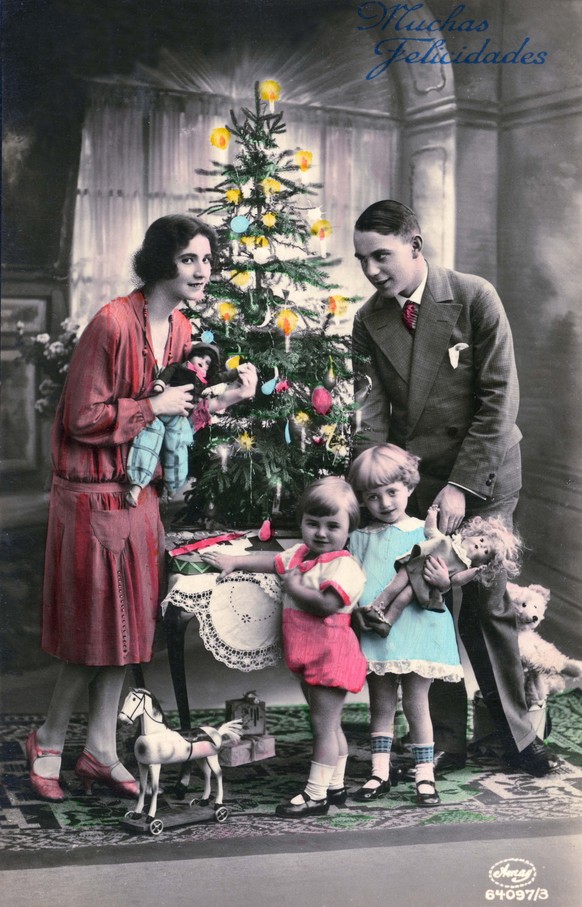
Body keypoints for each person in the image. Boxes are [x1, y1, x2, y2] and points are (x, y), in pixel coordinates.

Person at [26, 214, 258, 801]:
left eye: (207, 259)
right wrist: (154, 407)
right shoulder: (111, 323)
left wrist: (224, 398)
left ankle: (101, 751)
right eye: (189, 260)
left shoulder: (180, 329)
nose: (203, 270)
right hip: (91, 496)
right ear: (161, 264)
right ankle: (49, 739)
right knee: (92, 633)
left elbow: (178, 415)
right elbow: (81, 419)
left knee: (126, 634)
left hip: (139, 498)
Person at [351, 199, 560, 777]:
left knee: (488, 605)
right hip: (413, 479)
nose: (371, 271)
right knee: (429, 602)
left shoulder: (474, 297)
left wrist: (463, 486)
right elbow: (369, 411)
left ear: (415, 244)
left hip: (485, 473)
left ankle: (515, 735)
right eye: (362, 259)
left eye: (382, 256)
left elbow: (499, 401)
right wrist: (374, 477)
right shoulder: (368, 320)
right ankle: (442, 741)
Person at [201, 476, 367, 818]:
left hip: (330, 655)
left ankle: (315, 794)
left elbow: (325, 604)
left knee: (324, 726)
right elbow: (270, 561)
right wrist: (235, 563)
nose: (321, 533)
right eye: (312, 524)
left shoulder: (344, 566)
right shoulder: (301, 555)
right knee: (329, 724)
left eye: (333, 526)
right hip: (310, 655)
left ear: (350, 529)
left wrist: (293, 586)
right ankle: (335, 785)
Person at [348, 444, 463, 806]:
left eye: (392, 492)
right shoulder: (358, 539)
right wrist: (355, 610)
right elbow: (350, 581)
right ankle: (379, 771)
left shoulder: (425, 534)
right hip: (378, 630)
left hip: (418, 628)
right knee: (380, 702)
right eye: (373, 496)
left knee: (417, 702)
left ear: (409, 487)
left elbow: (447, 580)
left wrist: (443, 581)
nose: (384, 502)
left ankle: (424, 774)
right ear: (363, 501)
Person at [125, 337, 245, 507]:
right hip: (159, 412)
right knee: (149, 439)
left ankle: (172, 486)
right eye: (201, 358)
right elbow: (166, 375)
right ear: (192, 356)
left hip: (179, 417)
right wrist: (159, 385)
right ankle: (136, 486)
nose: (204, 363)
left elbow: (222, 377)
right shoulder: (179, 368)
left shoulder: (204, 382)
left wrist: (237, 371)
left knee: (179, 446)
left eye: (207, 363)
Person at [365, 509, 523, 635]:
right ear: (474, 534)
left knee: (403, 599)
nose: (480, 546)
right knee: (394, 586)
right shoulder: (449, 540)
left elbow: (456, 581)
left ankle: (386, 623)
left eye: (486, 551)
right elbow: (430, 531)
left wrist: (475, 572)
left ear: (482, 562)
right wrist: (432, 515)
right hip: (415, 565)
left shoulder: (465, 566)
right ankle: (376, 608)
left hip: (424, 583)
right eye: (482, 540)